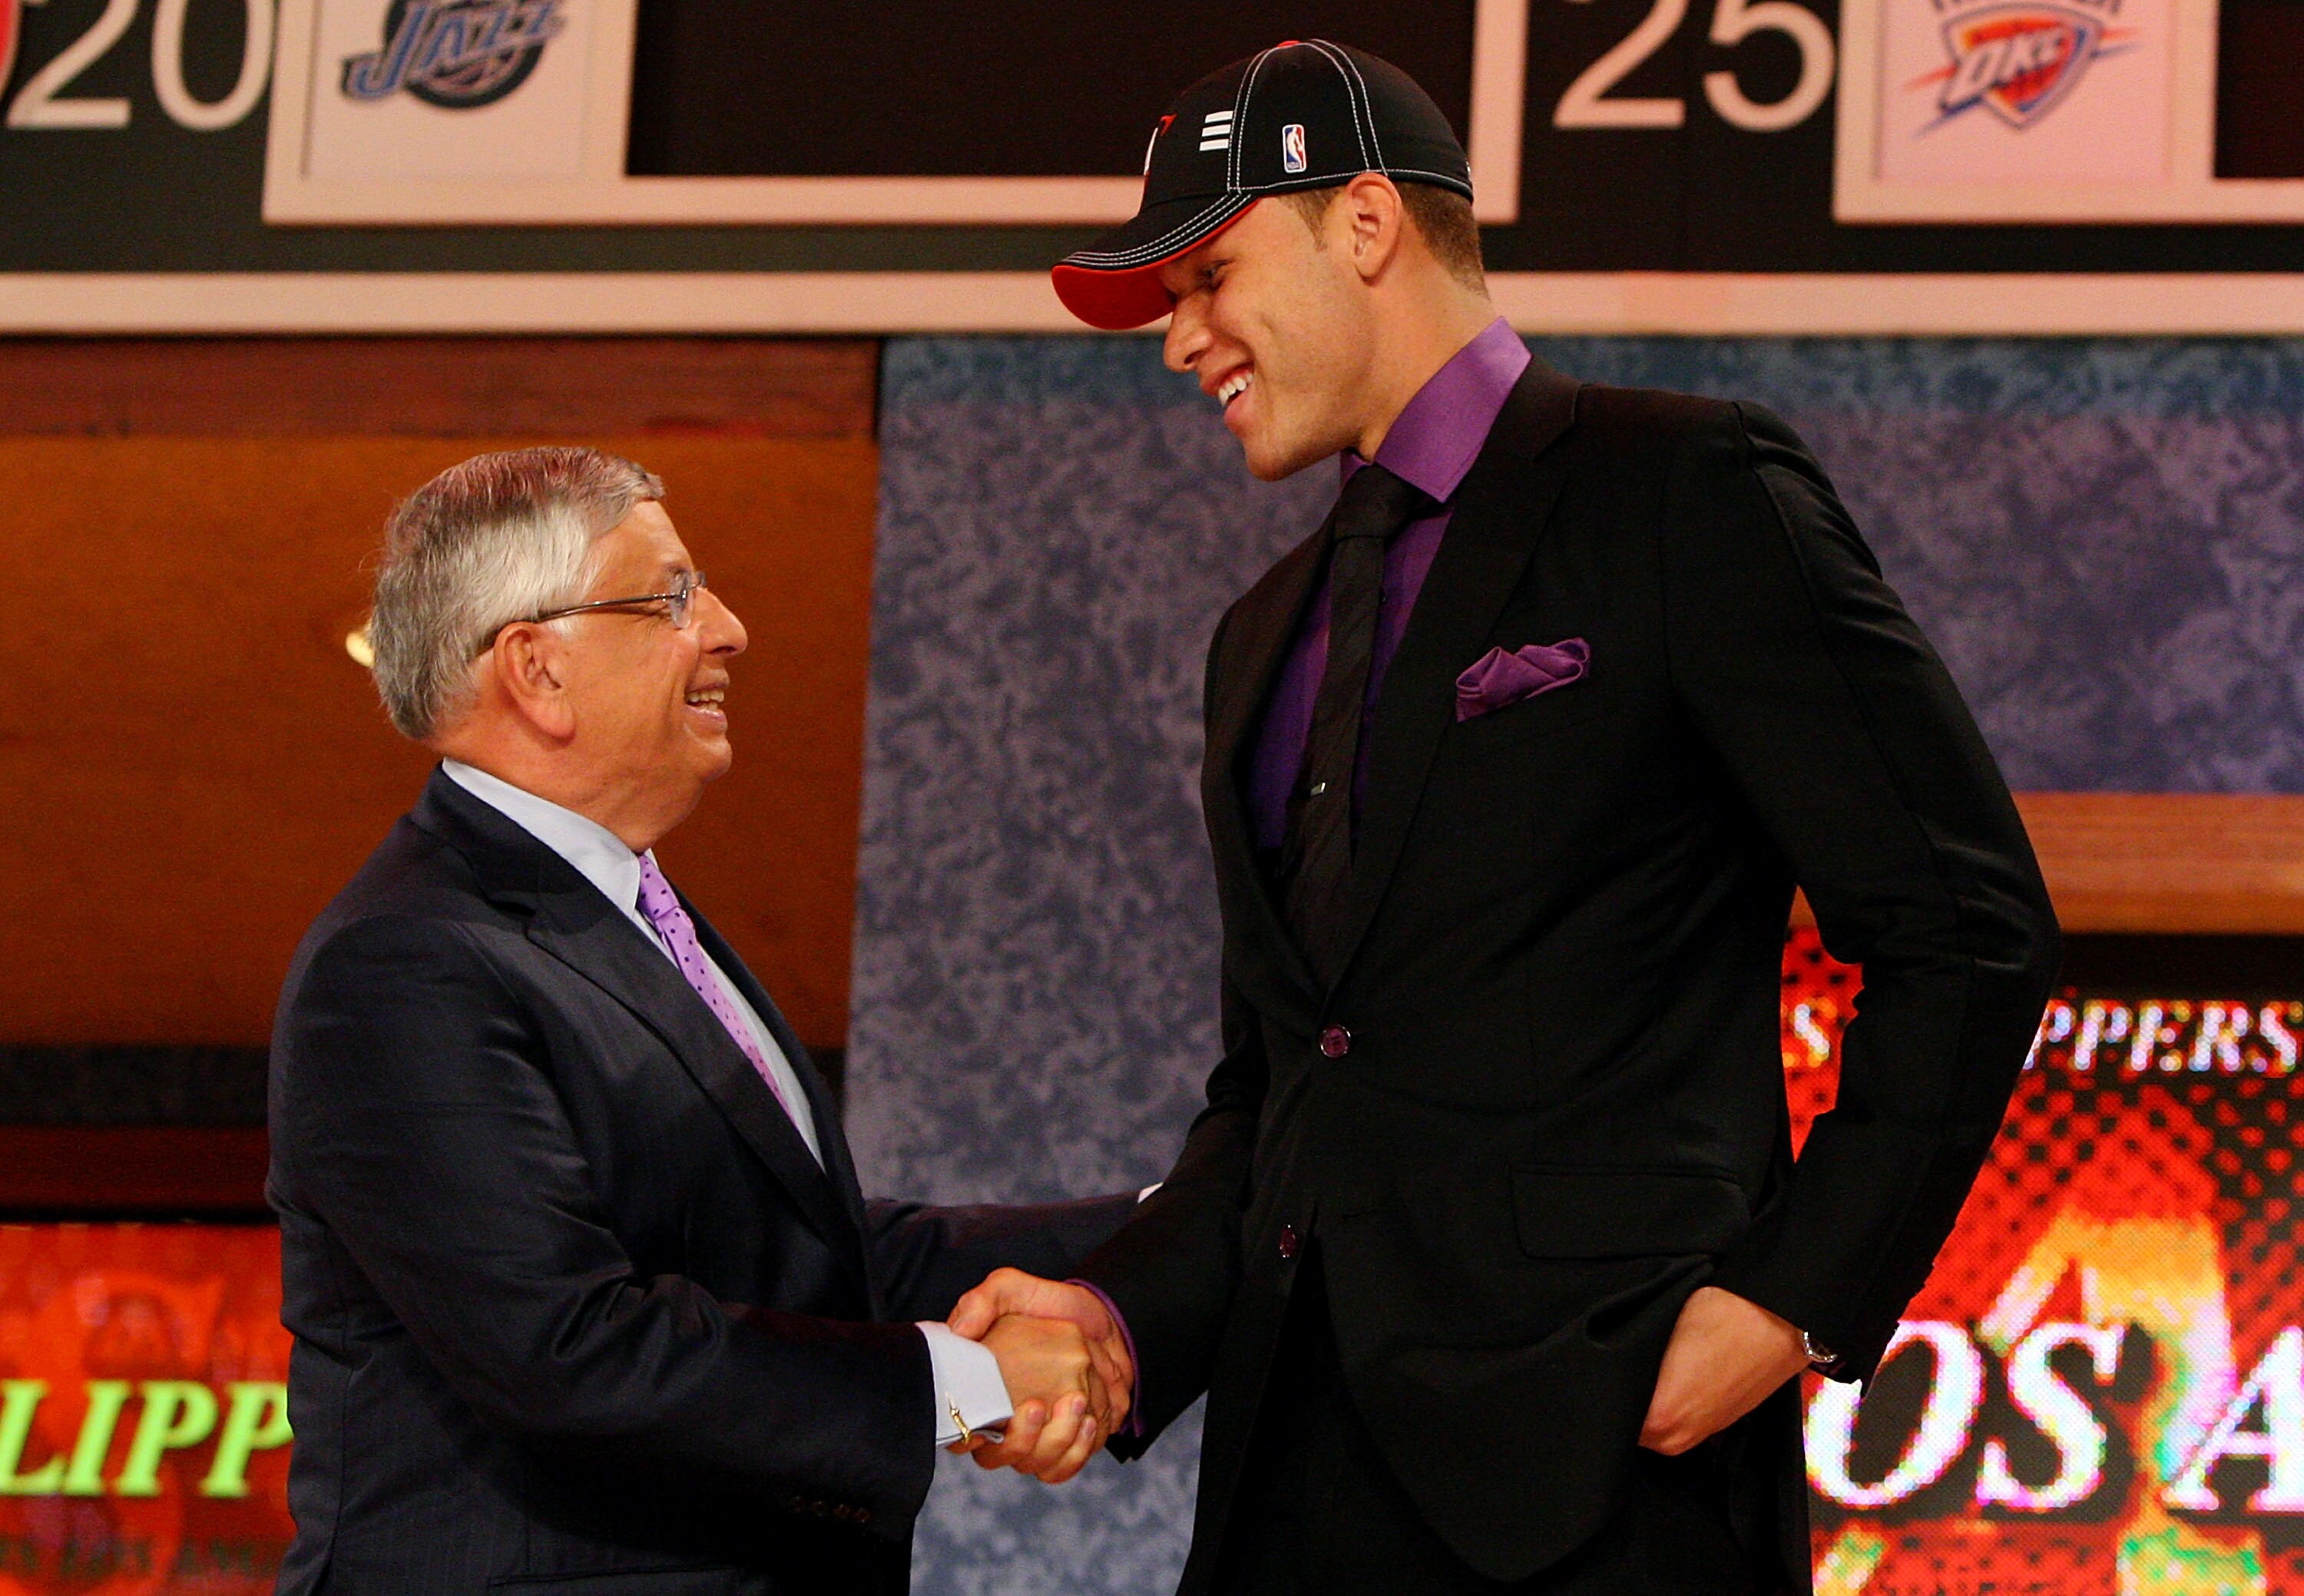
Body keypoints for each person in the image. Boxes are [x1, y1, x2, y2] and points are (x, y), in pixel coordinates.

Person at [948, 40, 2061, 1596]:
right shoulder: (1258, 635)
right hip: (1289, 1496)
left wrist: (1793, 1298)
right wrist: (1121, 1318)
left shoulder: (1688, 491)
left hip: (1609, 1487)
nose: (1179, 339)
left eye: (1208, 278)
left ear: (1362, 225)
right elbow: (1283, 1096)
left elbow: (1966, 924)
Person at [267, 447, 1137, 1596]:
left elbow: (810, 1256)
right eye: (672, 597)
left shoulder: (627, 915)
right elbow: (569, 1350)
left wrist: (1171, 1231)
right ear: (538, 669)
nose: (727, 629)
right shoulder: (404, 960)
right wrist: (966, 1384)